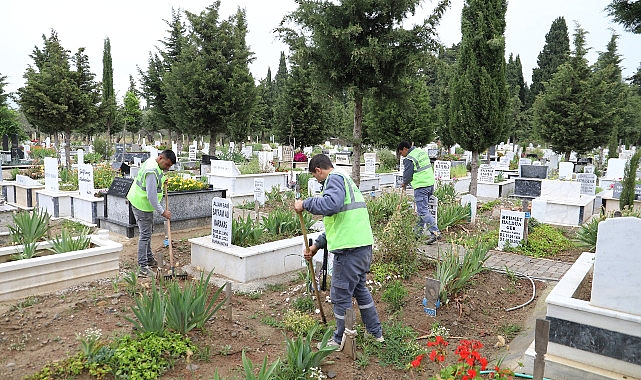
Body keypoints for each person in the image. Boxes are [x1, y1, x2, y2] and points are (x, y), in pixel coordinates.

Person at [294, 154, 383, 350]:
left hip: (349, 250)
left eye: (315, 177)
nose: (318, 182)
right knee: (360, 290)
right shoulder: (346, 180)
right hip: (362, 246)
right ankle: (375, 333)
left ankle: (340, 339)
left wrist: (305, 203)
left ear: (318, 170)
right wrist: (316, 245)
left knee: (340, 295)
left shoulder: (333, 179)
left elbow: (330, 206)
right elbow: (338, 223)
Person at [126, 150, 176, 277]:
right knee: (145, 234)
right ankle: (142, 266)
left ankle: (149, 258)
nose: (167, 168)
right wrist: (163, 212)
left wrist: (163, 180)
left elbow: (157, 178)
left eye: (169, 166)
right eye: (167, 165)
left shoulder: (154, 163)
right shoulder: (151, 171)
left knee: (148, 231)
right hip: (141, 204)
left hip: (144, 204)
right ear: (161, 158)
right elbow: (151, 196)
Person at [397, 141, 441, 244]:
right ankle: (417, 234)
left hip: (421, 186)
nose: (401, 155)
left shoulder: (409, 158)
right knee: (421, 210)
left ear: (405, 149)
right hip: (430, 184)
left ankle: (435, 233)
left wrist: (404, 183)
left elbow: (408, 175)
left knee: (423, 210)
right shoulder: (420, 152)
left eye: (400, 153)